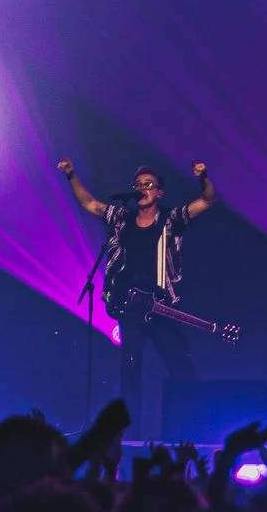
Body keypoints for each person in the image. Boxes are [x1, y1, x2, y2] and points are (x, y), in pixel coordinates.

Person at [58, 157, 217, 428]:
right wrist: (72, 175)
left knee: (180, 365)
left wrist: (203, 178)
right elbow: (89, 204)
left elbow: (207, 201)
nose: (142, 188)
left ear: (159, 192)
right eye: (138, 184)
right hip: (130, 307)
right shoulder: (122, 217)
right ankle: (130, 433)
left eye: (148, 184)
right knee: (130, 372)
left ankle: (190, 425)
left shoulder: (170, 218)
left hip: (161, 305)